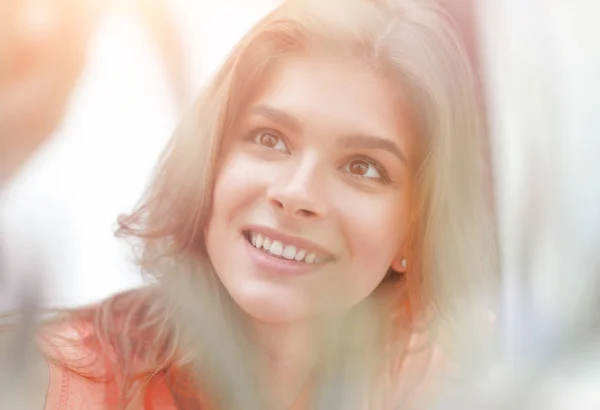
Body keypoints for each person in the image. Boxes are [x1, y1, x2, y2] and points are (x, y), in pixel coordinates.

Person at [2, 0, 497, 408]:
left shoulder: (464, 388)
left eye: (363, 167)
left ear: (416, 226)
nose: (297, 193)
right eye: (270, 137)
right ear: (212, 163)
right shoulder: (42, 385)